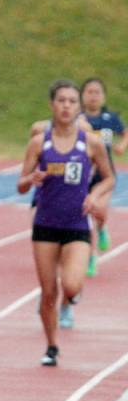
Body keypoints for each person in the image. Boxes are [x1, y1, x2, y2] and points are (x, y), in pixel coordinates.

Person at [17, 79, 113, 365]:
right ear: (52, 105)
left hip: (76, 225)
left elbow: (109, 177)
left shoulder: (91, 143)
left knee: (71, 286)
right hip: (45, 225)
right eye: (61, 101)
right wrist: (31, 179)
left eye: (72, 101)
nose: (66, 106)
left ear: (79, 107)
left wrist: (94, 196)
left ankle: (69, 301)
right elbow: (21, 185)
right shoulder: (39, 142)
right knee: (48, 292)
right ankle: (52, 346)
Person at [80, 77, 125, 276]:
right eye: (89, 92)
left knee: (99, 210)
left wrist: (121, 146)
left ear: (103, 96)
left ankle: (102, 227)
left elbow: (125, 133)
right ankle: (91, 258)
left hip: (104, 175)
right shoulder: (78, 120)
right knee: (85, 217)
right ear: (82, 96)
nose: (93, 96)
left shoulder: (110, 119)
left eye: (97, 92)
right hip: (83, 175)